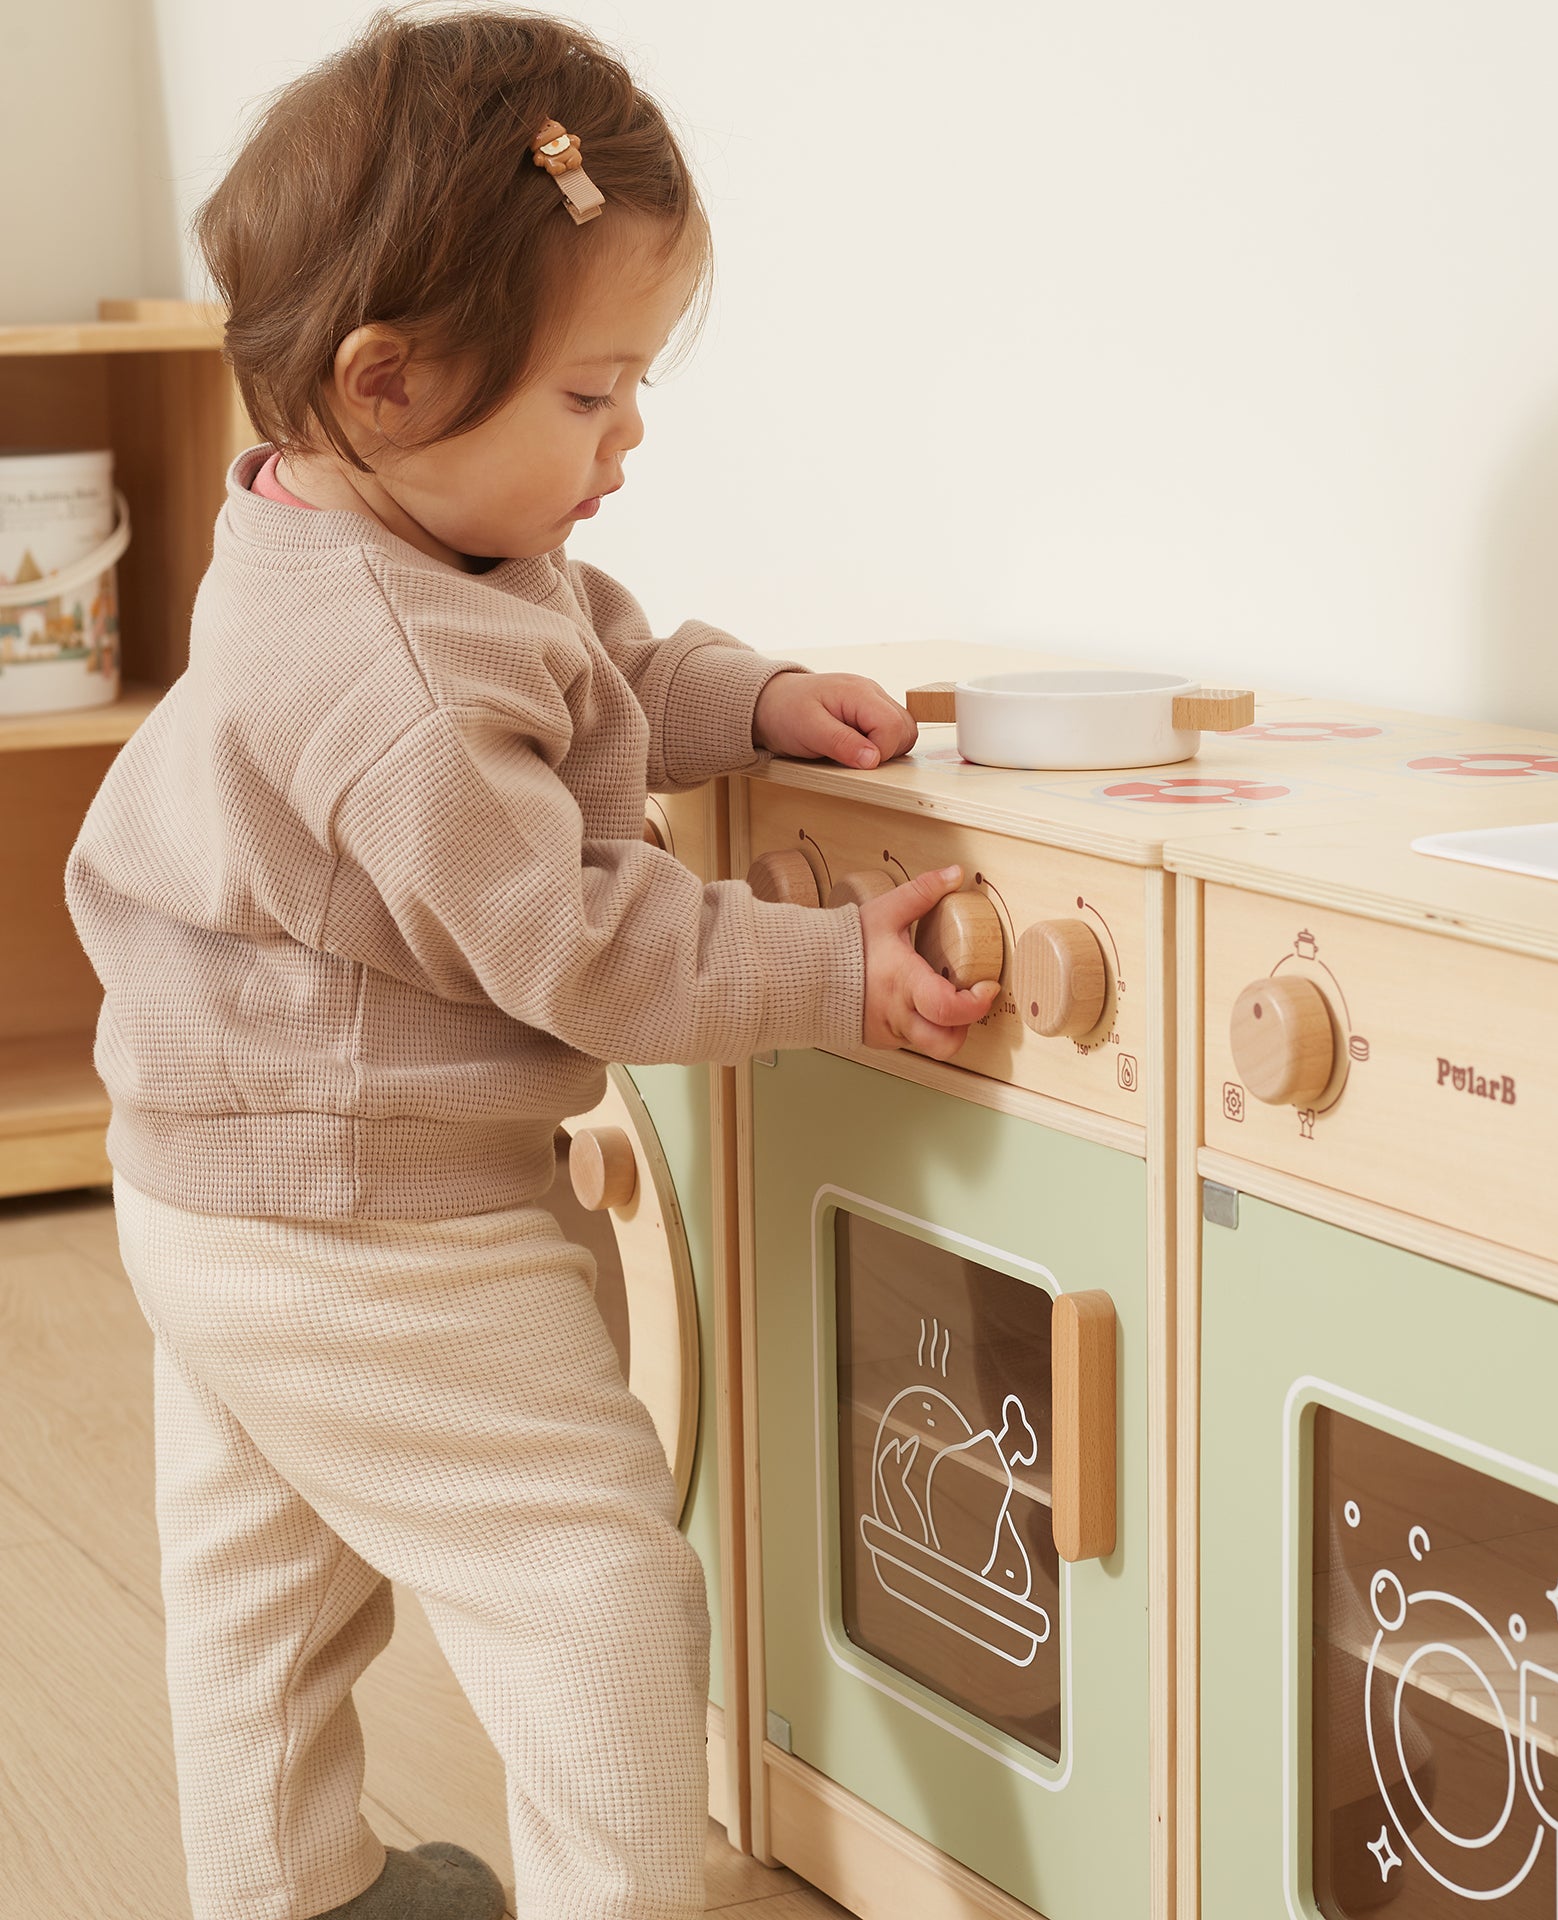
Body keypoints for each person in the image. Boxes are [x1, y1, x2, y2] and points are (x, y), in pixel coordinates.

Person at [63, 10, 998, 1919]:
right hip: (368, 1217)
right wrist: (830, 969)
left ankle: (293, 1889)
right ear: (388, 380)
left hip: (211, 1174)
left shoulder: (378, 530)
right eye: (592, 395)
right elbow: (578, 940)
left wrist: (747, 700)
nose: (628, 438)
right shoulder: (395, 679)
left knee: (264, 1573)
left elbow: (578, 675)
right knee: (592, 1582)